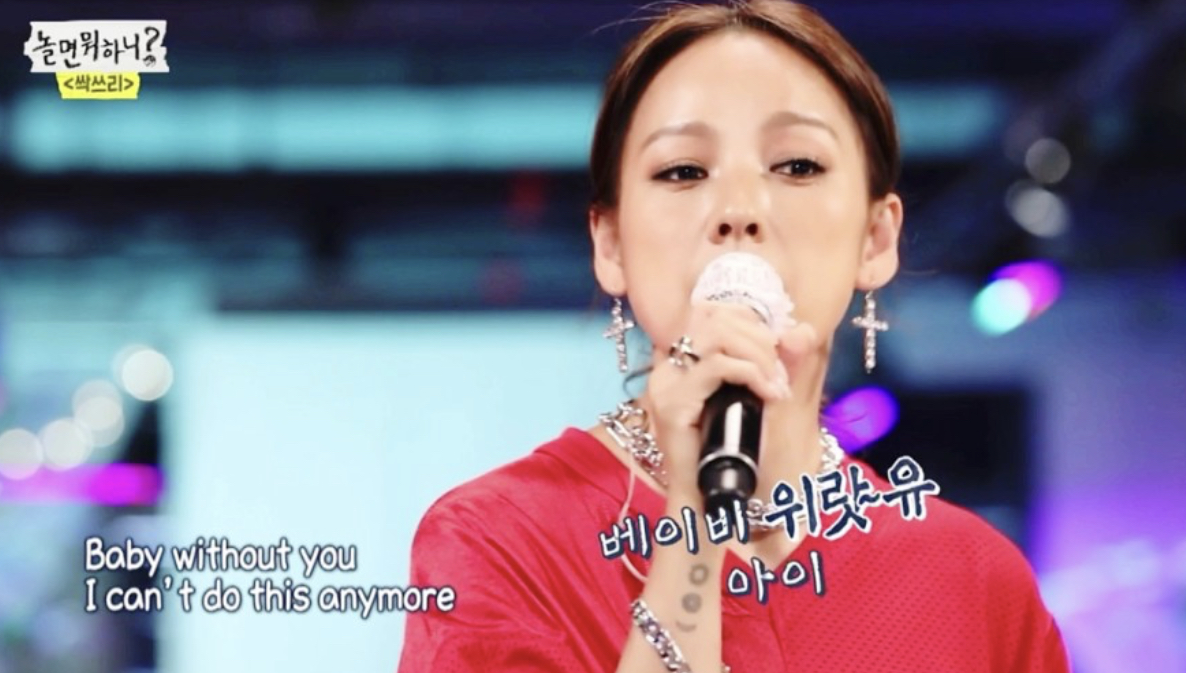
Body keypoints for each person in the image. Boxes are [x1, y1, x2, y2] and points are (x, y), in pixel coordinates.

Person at [396, 1, 1071, 671]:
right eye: (683, 171)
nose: (739, 210)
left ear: (876, 239)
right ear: (611, 245)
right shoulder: (497, 540)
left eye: (797, 165)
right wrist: (695, 513)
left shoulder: (974, 580)